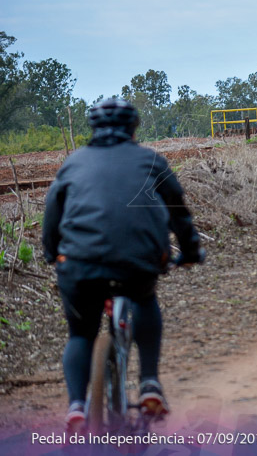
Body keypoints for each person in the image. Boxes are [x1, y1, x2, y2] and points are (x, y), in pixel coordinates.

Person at [43, 97, 203, 432]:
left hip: (79, 265)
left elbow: (51, 219)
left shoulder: (73, 164)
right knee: (144, 298)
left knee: (80, 334)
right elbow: (179, 214)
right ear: (134, 127)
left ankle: (76, 407)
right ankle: (149, 384)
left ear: (93, 128)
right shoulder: (151, 160)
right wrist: (189, 252)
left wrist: (51, 254)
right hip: (138, 260)